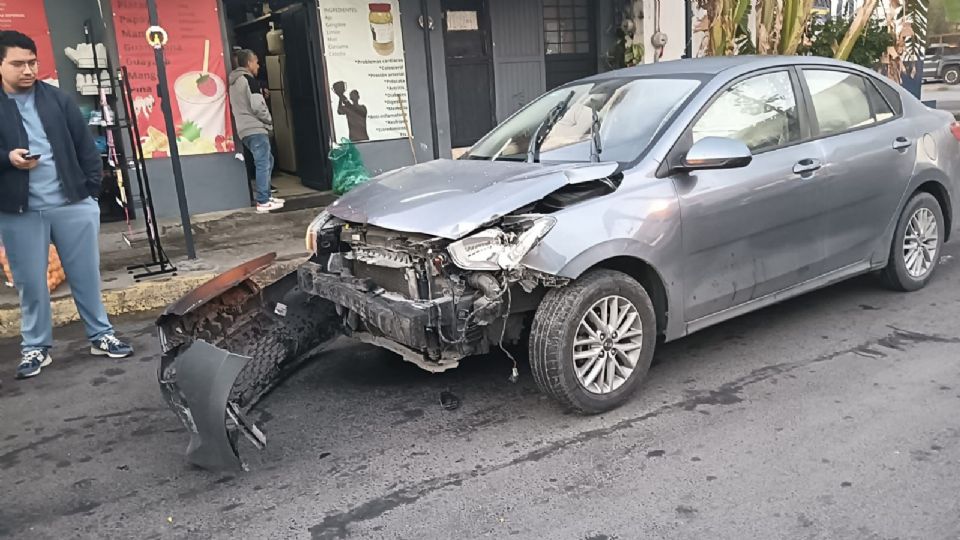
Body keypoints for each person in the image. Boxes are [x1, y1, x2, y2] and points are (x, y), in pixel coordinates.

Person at [0, 31, 133, 380]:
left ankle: (100, 335)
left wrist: (90, 193)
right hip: (19, 210)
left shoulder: (57, 100)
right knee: (31, 283)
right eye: (18, 64)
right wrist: (8, 158)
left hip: (72, 203)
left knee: (86, 275)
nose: (28, 70)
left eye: (32, 62)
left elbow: (87, 148)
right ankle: (36, 348)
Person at [228, 49, 284, 213]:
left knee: (268, 160)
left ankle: (266, 195)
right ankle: (263, 201)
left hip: (244, 129)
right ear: (249, 63)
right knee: (263, 163)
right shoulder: (249, 80)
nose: (258, 65)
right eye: (256, 62)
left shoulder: (233, 82)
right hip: (255, 127)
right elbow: (258, 105)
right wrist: (269, 121)